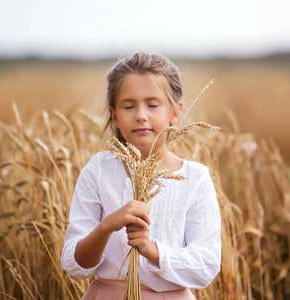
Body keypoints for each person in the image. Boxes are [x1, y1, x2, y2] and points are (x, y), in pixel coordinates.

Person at [61, 53, 221, 299]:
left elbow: (206, 265)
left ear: (174, 113)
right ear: (114, 115)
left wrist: (152, 250)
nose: (141, 115)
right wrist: (106, 227)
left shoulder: (195, 179)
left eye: (152, 104)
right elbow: (75, 264)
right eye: (129, 106)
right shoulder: (98, 170)